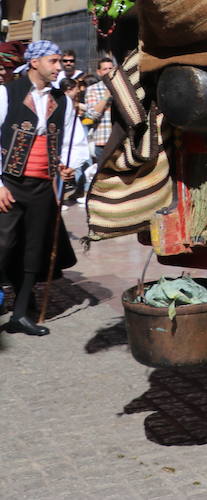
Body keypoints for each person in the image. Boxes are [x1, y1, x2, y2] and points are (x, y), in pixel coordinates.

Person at [0, 40, 91, 336]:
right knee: (4, 244)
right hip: (9, 183)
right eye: (53, 61)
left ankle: (22, 313)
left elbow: (75, 140)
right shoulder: (7, 93)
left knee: (33, 248)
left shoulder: (61, 100)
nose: (59, 67)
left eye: (60, 61)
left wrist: (71, 165)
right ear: (35, 62)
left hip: (42, 185)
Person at [82, 56, 115, 157]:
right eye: (105, 69)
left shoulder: (122, 87)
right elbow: (90, 117)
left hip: (121, 141)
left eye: (111, 68)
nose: (109, 71)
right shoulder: (93, 89)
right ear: (99, 72)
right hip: (103, 142)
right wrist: (105, 97)